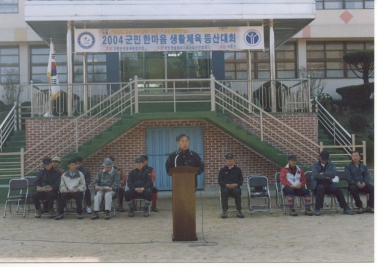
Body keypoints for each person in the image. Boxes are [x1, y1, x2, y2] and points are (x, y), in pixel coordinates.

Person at [311, 150, 354, 216]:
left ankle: (345, 207)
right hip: (318, 183)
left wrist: (323, 173)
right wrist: (326, 177)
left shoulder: (331, 164)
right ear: (320, 157)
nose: (324, 161)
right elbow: (315, 175)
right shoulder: (315, 164)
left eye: (326, 159)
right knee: (320, 188)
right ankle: (317, 208)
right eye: (323, 159)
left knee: (337, 188)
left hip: (329, 183)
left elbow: (333, 174)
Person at [217, 153, 244, 218]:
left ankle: (239, 210)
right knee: (224, 192)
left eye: (231, 159)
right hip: (226, 187)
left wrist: (236, 184)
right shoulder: (222, 170)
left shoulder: (238, 170)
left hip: (235, 187)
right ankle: (224, 210)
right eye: (228, 159)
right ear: (225, 161)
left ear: (234, 160)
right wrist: (225, 185)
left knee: (237, 192)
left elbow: (241, 180)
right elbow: (220, 181)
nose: (230, 161)